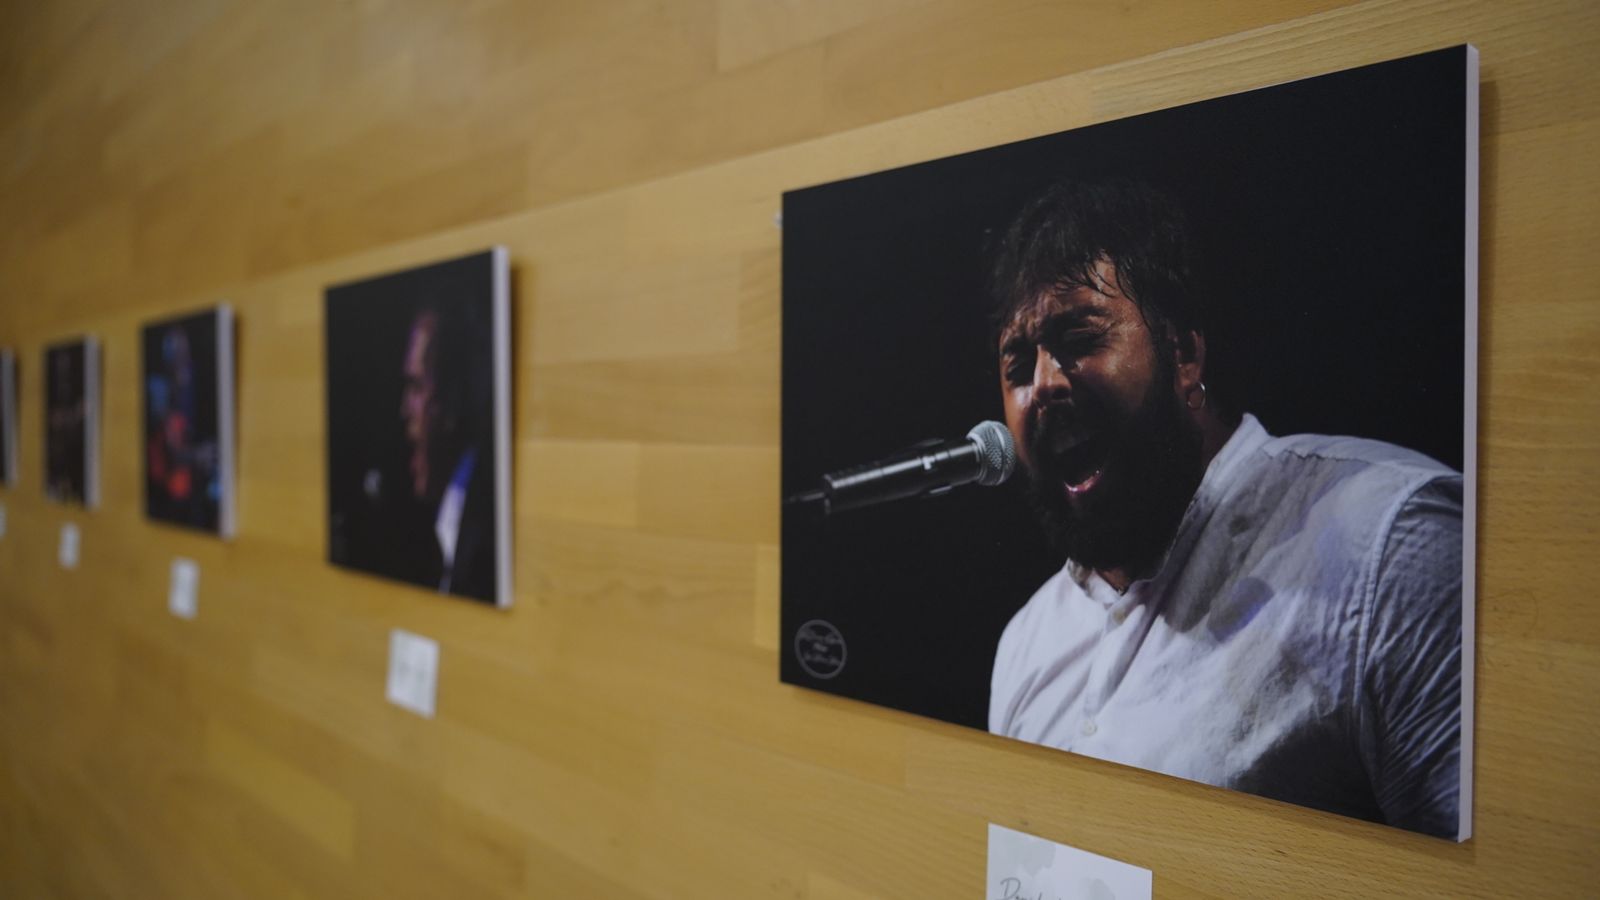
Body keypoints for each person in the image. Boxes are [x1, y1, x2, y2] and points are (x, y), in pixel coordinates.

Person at [986, 178, 1464, 838]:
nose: (1042, 385)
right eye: (1017, 366)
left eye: (1080, 337)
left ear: (1184, 354)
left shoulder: (1386, 544)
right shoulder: (1027, 641)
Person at [398, 305, 496, 602]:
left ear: (452, 400)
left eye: (416, 387)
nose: (404, 410)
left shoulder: (482, 536)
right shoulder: (442, 526)